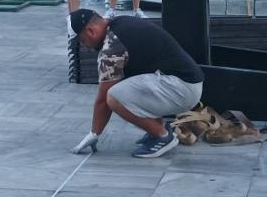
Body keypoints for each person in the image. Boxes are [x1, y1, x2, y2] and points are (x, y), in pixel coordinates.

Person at [67, 9, 204, 158]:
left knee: (113, 97)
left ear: (91, 31)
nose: (84, 45)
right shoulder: (120, 22)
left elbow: (102, 101)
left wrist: (94, 133)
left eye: (82, 40)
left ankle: (162, 136)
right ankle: (158, 128)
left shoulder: (111, 48)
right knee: (125, 86)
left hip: (181, 89)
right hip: (186, 83)